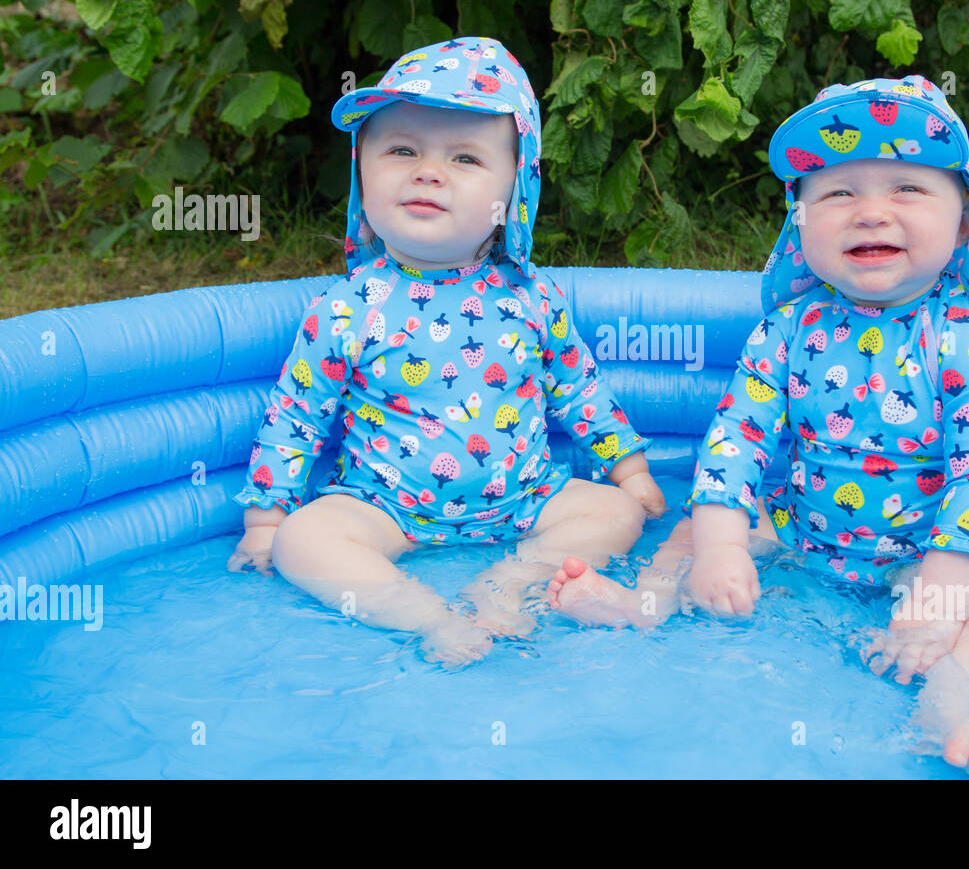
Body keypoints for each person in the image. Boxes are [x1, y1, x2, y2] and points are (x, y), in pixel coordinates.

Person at [547, 75, 969, 777]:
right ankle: (646, 604)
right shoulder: (790, 330)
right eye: (838, 193)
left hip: (940, 543)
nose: (871, 213)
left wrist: (942, 588)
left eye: (907, 188)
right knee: (697, 530)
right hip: (808, 525)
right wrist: (722, 546)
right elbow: (735, 440)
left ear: (963, 219)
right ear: (799, 222)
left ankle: (954, 704)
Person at [226, 36, 666, 667]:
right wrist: (267, 519)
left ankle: (507, 586)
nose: (427, 171)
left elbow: (579, 388)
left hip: (526, 499)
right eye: (401, 150)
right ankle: (426, 616)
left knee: (614, 513)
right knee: (305, 542)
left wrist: (628, 468)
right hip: (383, 508)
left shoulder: (532, 295)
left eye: (464, 157)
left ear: (515, 188)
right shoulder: (348, 307)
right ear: (362, 171)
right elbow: (296, 417)